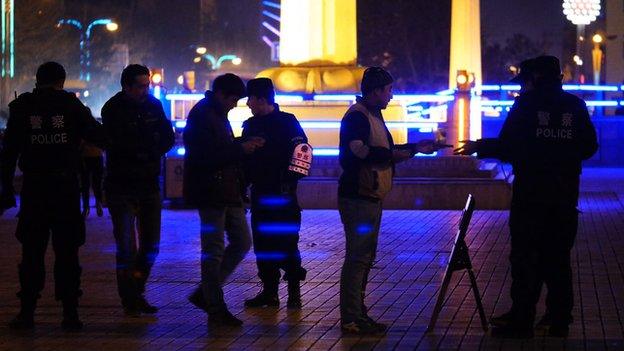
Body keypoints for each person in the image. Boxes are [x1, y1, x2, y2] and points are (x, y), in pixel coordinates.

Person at [455, 56, 598, 338]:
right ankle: (559, 320)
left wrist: (480, 147)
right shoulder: (574, 105)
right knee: (558, 259)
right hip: (564, 196)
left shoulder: (526, 105)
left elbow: (509, 146)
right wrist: (563, 159)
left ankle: (522, 319)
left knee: (525, 258)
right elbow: (589, 145)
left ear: (534, 78)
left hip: (531, 196)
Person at [0, 62, 106, 330]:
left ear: (37, 80)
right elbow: (97, 135)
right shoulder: (72, 106)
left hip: (34, 189)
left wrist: (6, 188)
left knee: (32, 252)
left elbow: (9, 151)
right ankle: (70, 313)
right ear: (62, 80)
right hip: (65, 189)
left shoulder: (22, 107)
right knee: (68, 253)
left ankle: (27, 312)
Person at [337, 67, 438, 334]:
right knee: (358, 257)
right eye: (388, 90)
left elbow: (385, 152)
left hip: (369, 195)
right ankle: (351, 317)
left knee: (364, 257)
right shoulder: (358, 117)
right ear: (374, 91)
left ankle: (358, 313)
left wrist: (415, 148)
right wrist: (396, 155)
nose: (391, 96)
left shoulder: (371, 115)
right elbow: (360, 152)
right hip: (359, 196)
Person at [183, 73, 263, 326]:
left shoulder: (216, 114)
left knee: (241, 241)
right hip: (211, 193)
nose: (235, 104)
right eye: (233, 99)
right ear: (220, 94)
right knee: (213, 250)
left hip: (229, 190)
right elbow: (203, 156)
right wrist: (240, 148)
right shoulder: (202, 116)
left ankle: (205, 294)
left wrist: (242, 144)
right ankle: (215, 306)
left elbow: (220, 149)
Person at [101, 64, 174, 316]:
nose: (145, 90)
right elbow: (117, 142)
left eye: (147, 85)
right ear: (127, 86)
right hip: (121, 185)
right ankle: (130, 297)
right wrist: (141, 149)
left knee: (151, 244)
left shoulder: (153, 106)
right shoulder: (113, 108)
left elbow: (167, 135)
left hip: (149, 183)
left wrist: (153, 151)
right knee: (126, 246)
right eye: (140, 86)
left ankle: (137, 288)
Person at [242, 78, 312, 309]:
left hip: (283, 196)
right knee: (263, 246)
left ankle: (294, 294)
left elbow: (303, 153)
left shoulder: (287, 122)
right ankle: (270, 293)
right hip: (260, 195)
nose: (248, 104)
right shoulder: (250, 125)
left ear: (261, 99)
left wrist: (290, 180)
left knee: (287, 244)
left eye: (250, 99)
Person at [79, 140, 105, 217]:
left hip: (95, 155)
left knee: (95, 183)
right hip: (88, 155)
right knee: (87, 184)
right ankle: (87, 206)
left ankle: (95, 205)